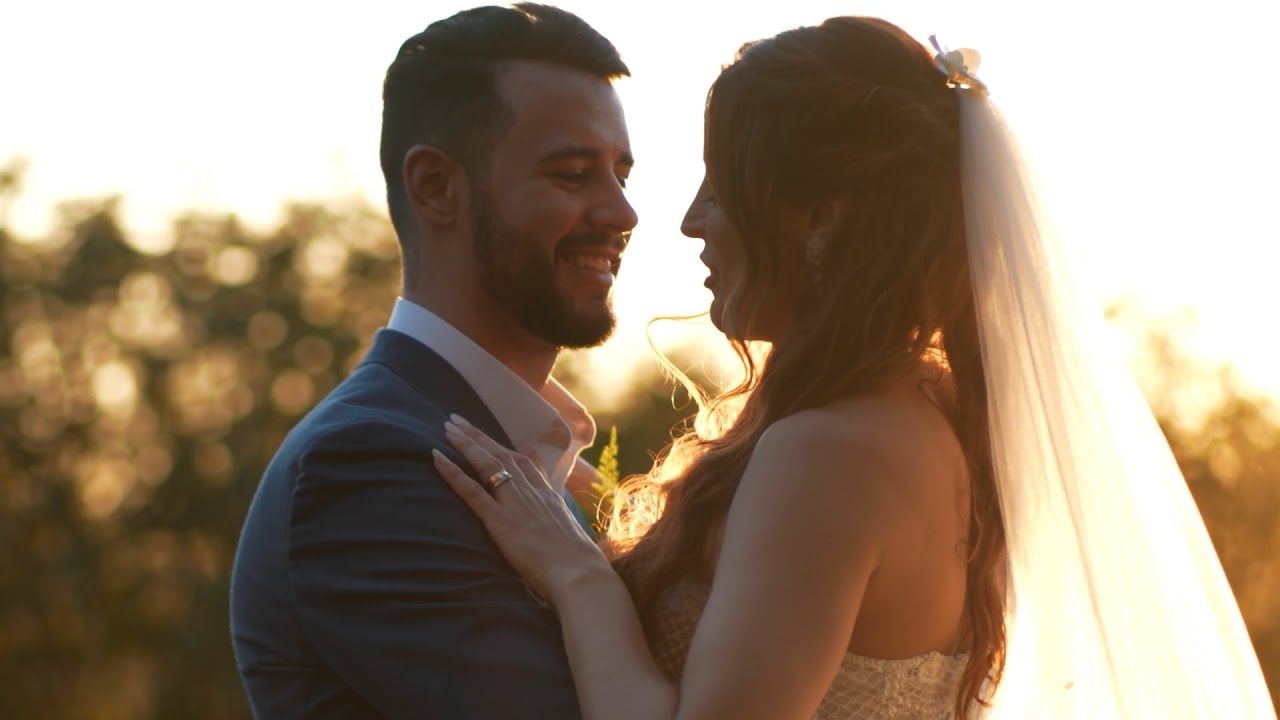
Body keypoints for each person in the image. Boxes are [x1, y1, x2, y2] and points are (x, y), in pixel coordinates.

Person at [432, 16, 1277, 720]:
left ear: (821, 217)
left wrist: (579, 578)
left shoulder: (831, 452)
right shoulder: (922, 412)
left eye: (721, 189)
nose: (689, 223)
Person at [228, 4, 636, 717]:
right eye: (574, 174)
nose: (622, 211)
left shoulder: (542, 464)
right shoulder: (373, 464)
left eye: (621, 174)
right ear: (437, 187)